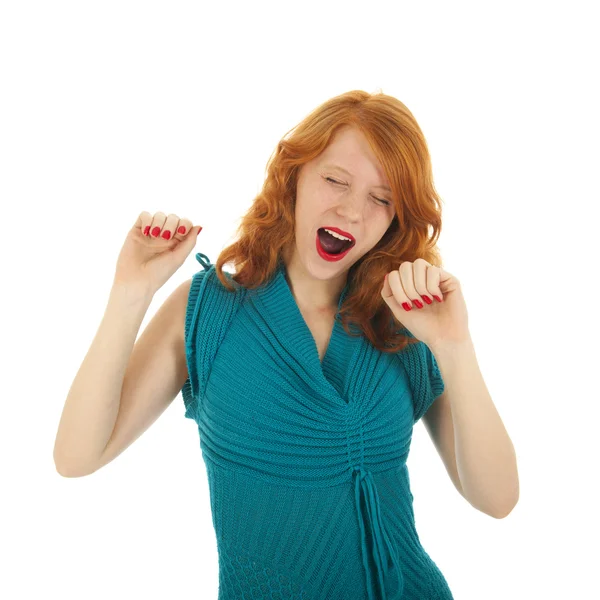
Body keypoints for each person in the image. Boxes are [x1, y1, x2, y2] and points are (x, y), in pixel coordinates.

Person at [54, 90, 473, 599]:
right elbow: (76, 457)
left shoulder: (403, 323)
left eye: (382, 199)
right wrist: (130, 291)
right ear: (293, 174)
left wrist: (455, 345)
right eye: (335, 180)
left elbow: (496, 497)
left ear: (395, 220)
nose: (352, 210)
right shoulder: (211, 311)